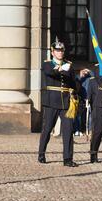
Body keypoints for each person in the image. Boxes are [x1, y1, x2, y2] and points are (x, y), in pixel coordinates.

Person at [38, 37, 79, 167]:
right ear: (52, 52)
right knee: (47, 128)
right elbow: (51, 73)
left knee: (68, 130)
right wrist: (61, 69)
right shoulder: (47, 64)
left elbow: (73, 82)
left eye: (61, 50)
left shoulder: (69, 65)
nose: (60, 52)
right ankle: (41, 153)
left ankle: (67, 158)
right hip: (51, 100)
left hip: (66, 101)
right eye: (57, 50)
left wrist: (75, 90)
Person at [74, 68, 91, 137]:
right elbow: (76, 83)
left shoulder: (90, 78)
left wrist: (90, 71)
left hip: (88, 98)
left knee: (89, 115)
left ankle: (89, 130)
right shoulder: (78, 78)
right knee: (78, 115)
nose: (85, 73)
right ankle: (78, 129)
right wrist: (81, 75)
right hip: (80, 98)